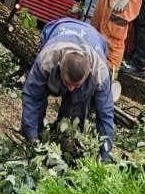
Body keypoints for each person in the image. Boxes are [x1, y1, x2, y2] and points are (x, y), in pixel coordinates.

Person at [20, 18, 115, 161]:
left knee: (77, 104)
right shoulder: (47, 58)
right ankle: (36, 136)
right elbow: (32, 97)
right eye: (67, 82)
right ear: (60, 66)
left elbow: (105, 114)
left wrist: (105, 155)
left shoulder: (100, 73)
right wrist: (31, 136)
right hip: (57, 28)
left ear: (88, 73)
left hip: (94, 38)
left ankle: (65, 140)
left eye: (75, 85)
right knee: (38, 100)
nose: (70, 88)